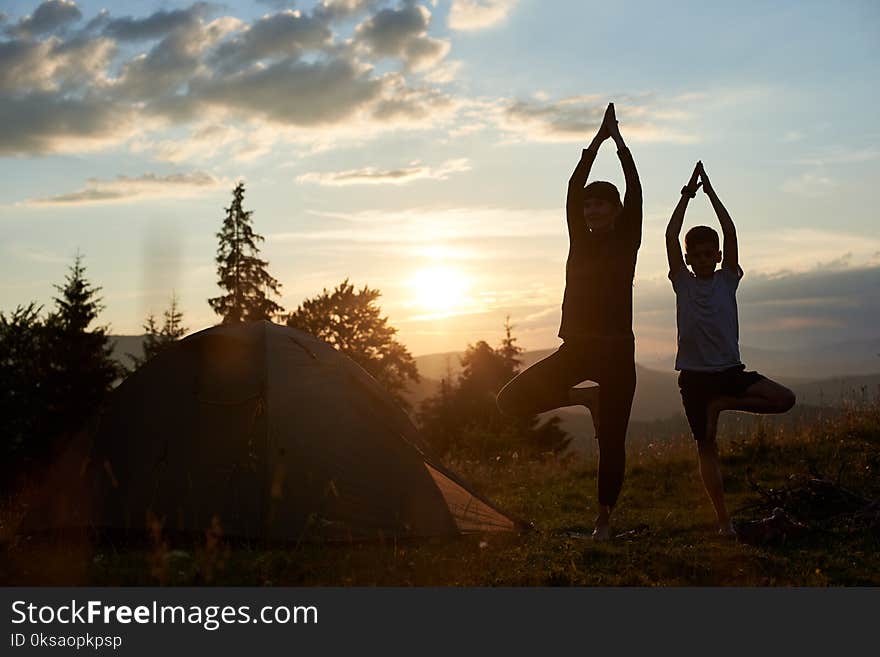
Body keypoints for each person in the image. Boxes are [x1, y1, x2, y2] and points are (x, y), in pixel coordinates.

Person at [497, 102, 640, 541]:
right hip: (576, 349)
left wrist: (618, 145)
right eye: (589, 206)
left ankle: (603, 524)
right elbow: (573, 186)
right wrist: (593, 143)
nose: (593, 211)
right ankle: (585, 400)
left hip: (617, 351)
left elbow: (635, 188)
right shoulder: (578, 237)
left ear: (616, 211)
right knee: (510, 401)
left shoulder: (627, 238)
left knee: (612, 440)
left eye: (601, 205)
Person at [665, 161, 796, 536]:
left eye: (711, 254)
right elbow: (671, 234)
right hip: (693, 379)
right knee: (707, 448)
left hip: (729, 373)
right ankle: (724, 522)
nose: (704, 259)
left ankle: (722, 403)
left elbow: (730, 230)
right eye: (698, 254)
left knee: (785, 398)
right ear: (689, 258)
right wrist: (688, 194)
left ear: (718, 256)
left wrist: (712, 193)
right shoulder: (682, 283)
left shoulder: (728, 280)